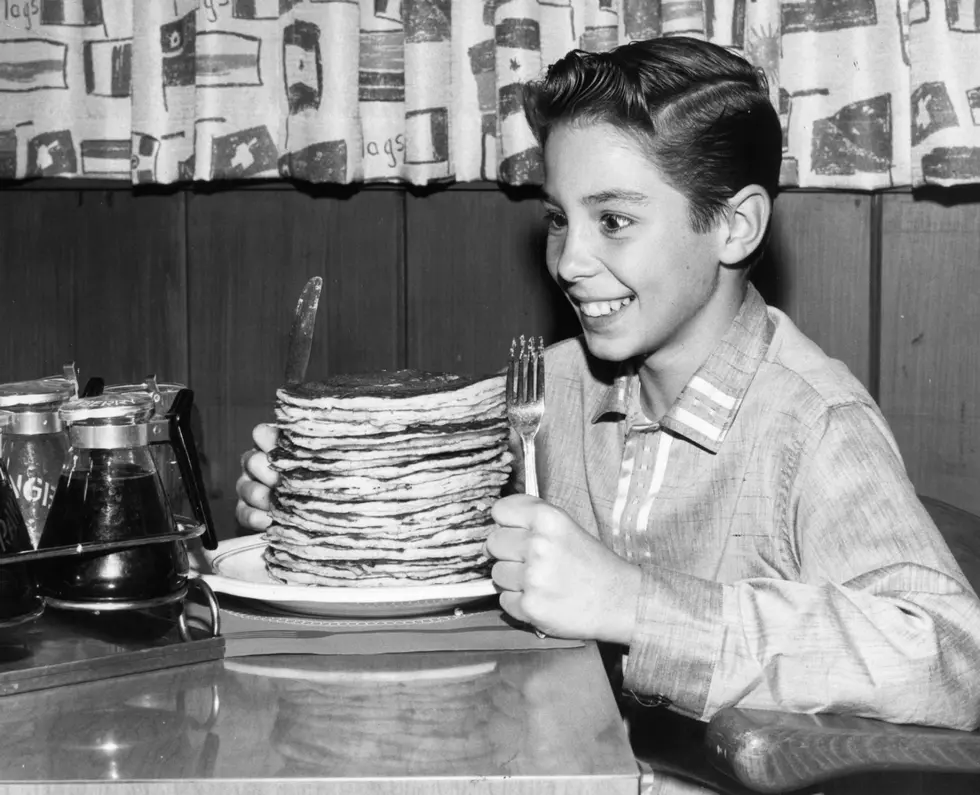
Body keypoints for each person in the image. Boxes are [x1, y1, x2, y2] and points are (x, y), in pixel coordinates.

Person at [237, 37, 980, 731]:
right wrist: (321, 503)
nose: (568, 262)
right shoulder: (545, 391)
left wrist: (635, 604)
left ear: (736, 226)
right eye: (560, 220)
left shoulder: (814, 422)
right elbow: (431, 541)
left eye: (615, 220)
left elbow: (952, 656)